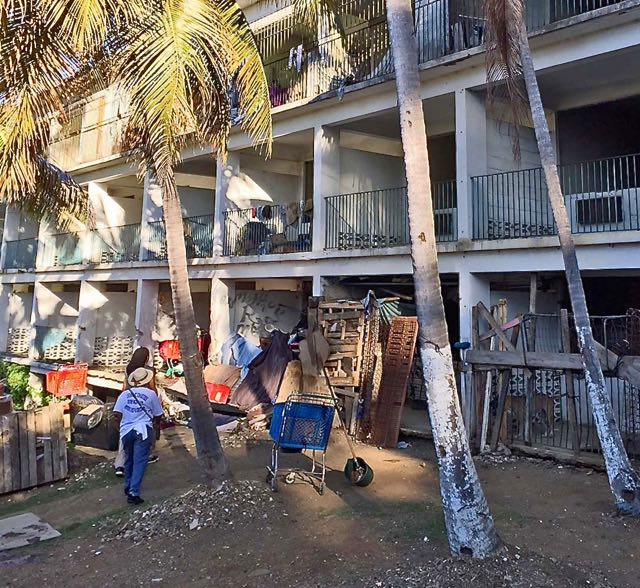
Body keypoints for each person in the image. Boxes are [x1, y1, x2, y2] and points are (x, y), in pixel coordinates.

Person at [113, 367, 164, 505]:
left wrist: (122, 424)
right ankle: (133, 492)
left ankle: (128, 485)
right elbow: (158, 414)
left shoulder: (124, 395)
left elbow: (116, 414)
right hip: (143, 430)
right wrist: (155, 425)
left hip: (126, 431)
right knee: (140, 462)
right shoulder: (150, 394)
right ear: (146, 380)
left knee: (128, 459)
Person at [114, 347, 160, 476]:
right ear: (146, 358)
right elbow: (153, 389)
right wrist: (156, 403)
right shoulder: (148, 371)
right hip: (144, 404)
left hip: (128, 402)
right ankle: (147, 456)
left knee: (125, 433)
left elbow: (123, 388)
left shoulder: (128, 369)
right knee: (146, 431)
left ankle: (120, 465)